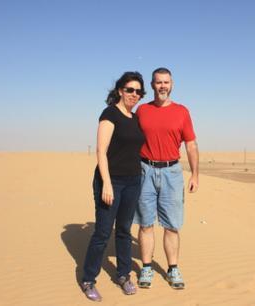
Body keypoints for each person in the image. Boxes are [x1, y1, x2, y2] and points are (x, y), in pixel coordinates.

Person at [81, 71, 146, 301]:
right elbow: (101, 151)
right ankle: (88, 278)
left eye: (138, 91)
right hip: (111, 181)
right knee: (102, 232)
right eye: (130, 89)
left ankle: (123, 275)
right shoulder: (109, 114)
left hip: (132, 181)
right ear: (120, 90)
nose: (134, 94)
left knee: (124, 231)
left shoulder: (135, 118)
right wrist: (107, 183)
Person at [134, 67, 199, 290]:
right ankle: (146, 267)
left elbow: (190, 145)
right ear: (151, 85)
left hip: (172, 172)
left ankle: (173, 269)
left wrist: (195, 175)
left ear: (172, 85)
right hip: (145, 171)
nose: (162, 86)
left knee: (172, 226)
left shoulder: (182, 112)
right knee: (145, 224)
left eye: (166, 82)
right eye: (158, 82)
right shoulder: (141, 110)